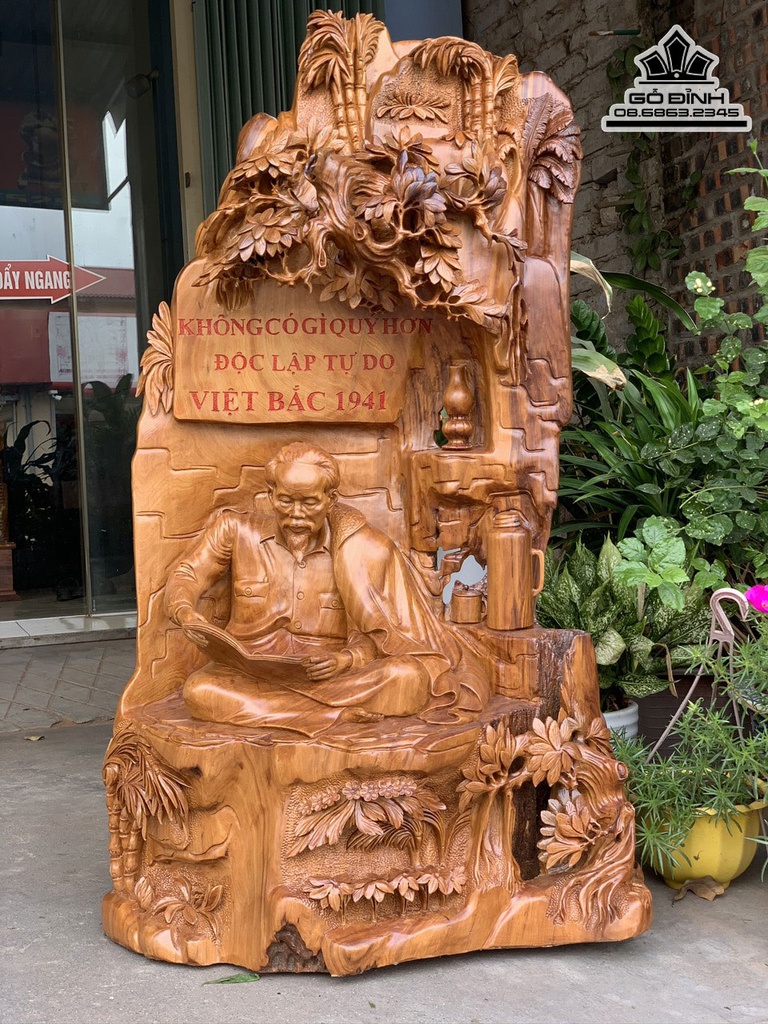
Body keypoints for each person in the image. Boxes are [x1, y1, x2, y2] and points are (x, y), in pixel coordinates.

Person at [165, 442, 489, 735]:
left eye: (309, 503)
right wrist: (185, 612)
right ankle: (334, 716)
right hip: (250, 677)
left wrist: (344, 660)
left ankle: (287, 713)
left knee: (408, 678)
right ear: (270, 494)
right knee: (200, 692)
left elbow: (375, 634)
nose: (296, 515)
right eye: (285, 501)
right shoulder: (234, 530)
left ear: (330, 500)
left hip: (332, 680)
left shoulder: (356, 550)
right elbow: (188, 574)